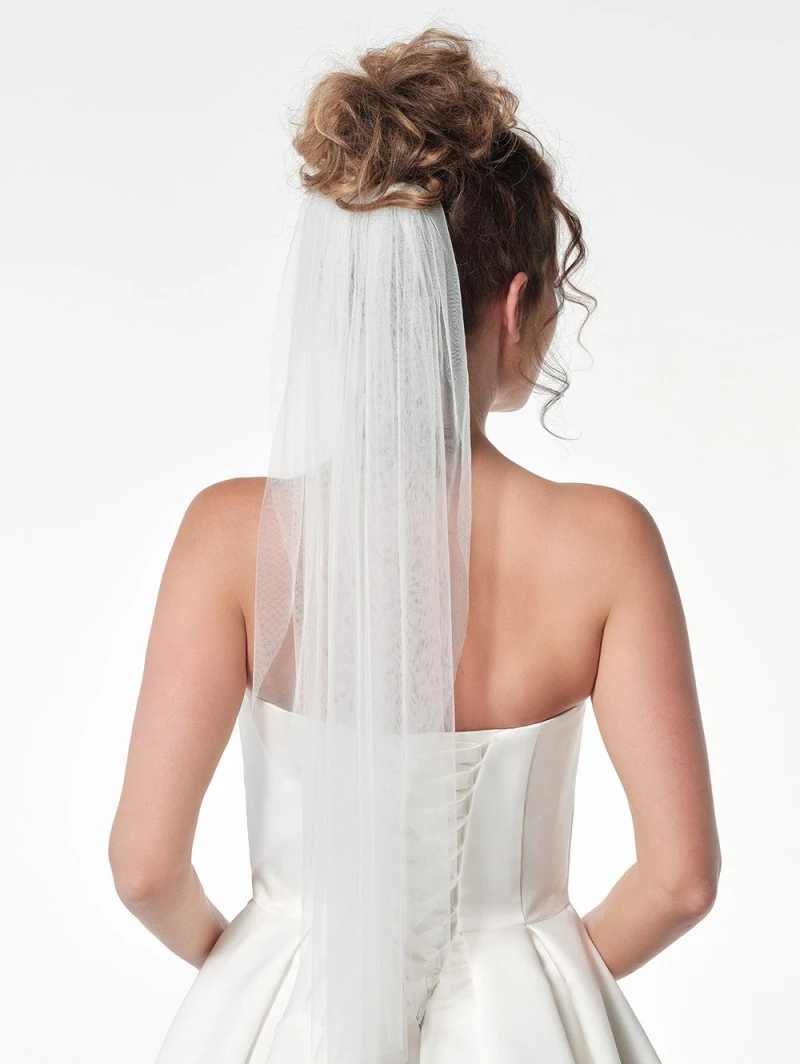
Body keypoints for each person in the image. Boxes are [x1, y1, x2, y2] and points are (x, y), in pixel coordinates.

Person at [109, 27, 721, 1064]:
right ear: (517, 302)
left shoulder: (230, 536)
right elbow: (680, 879)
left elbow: (143, 868)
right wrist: (541, 976)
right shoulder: (605, 545)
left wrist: (263, 970)